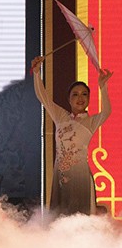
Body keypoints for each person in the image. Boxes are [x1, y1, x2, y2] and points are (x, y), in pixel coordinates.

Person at [31, 56, 113, 215]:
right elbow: (43, 97)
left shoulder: (91, 121)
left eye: (84, 94)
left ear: (89, 99)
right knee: (60, 217)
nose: (80, 98)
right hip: (60, 178)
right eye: (75, 94)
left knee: (81, 219)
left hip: (81, 178)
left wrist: (103, 87)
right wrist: (36, 73)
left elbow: (107, 112)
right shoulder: (61, 116)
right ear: (69, 99)